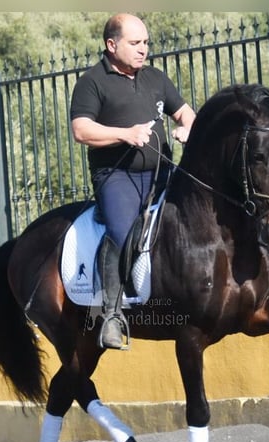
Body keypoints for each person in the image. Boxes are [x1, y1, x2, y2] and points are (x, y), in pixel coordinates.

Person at [70, 13, 196, 350]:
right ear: (112, 45)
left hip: (161, 173)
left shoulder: (155, 77)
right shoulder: (92, 82)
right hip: (117, 177)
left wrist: (186, 126)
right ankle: (111, 316)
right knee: (123, 233)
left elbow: (185, 111)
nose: (144, 50)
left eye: (146, 43)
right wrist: (125, 134)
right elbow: (81, 130)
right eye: (135, 43)